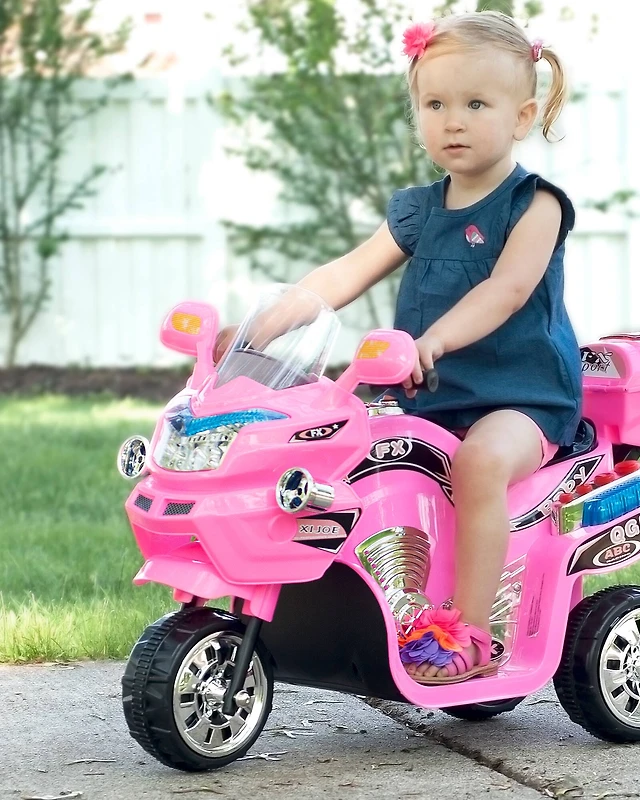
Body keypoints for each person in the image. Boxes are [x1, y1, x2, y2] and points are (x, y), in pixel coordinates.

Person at [214, 11, 582, 685]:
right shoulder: (417, 210)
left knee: (477, 466)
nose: (453, 121)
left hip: (519, 399)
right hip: (424, 393)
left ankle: (471, 630)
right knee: (325, 448)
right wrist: (266, 325)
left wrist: (431, 340)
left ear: (522, 115)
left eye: (476, 104)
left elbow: (505, 292)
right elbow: (343, 275)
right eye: (435, 104)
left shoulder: (535, 205)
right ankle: (353, 603)